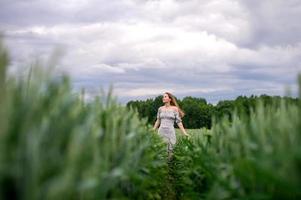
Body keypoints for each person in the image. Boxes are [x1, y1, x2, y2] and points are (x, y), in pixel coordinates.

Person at [153, 92, 190, 159]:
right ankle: (162, 167)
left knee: (170, 151)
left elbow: (179, 122)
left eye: (165, 96)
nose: (163, 98)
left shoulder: (175, 109)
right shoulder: (160, 109)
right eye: (163, 96)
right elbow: (158, 121)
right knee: (161, 150)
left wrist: (185, 133)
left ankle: (170, 166)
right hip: (161, 132)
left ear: (170, 99)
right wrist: (152, 131)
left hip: (170, 132)